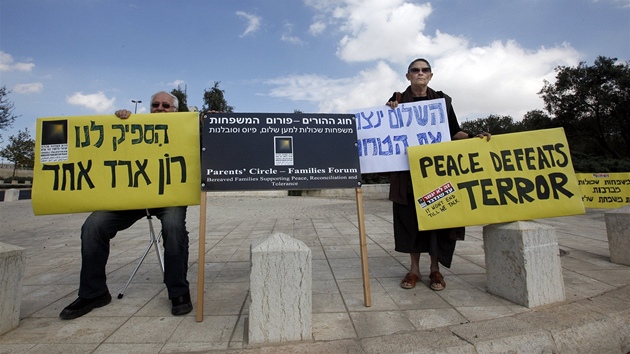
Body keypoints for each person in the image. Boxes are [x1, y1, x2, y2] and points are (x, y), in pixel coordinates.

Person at [60, 91, 193, 320]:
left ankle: (178, 291)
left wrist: (210, 120)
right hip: (130, 197)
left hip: (168, 198)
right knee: (93, 226)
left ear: (176, 111)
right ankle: (94, 292)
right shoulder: (132, 125)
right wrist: (117, 122)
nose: (160, 109)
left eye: (166, 106)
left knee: (174, 228)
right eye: (155, 105)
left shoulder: (185, 129)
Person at [385, 58, 491, 291]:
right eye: (415, 70)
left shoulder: (442, 102)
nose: (420, 73)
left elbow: (454, 132)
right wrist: (390, 111)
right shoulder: (397, 101)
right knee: (410, 221)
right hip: (409, 175)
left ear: (430, 76)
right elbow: (387, 133)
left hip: (437, 173)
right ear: (408, 76)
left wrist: (475, 137)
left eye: (425, 70)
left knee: (438, 220)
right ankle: (414, 269)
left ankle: (435, 269)